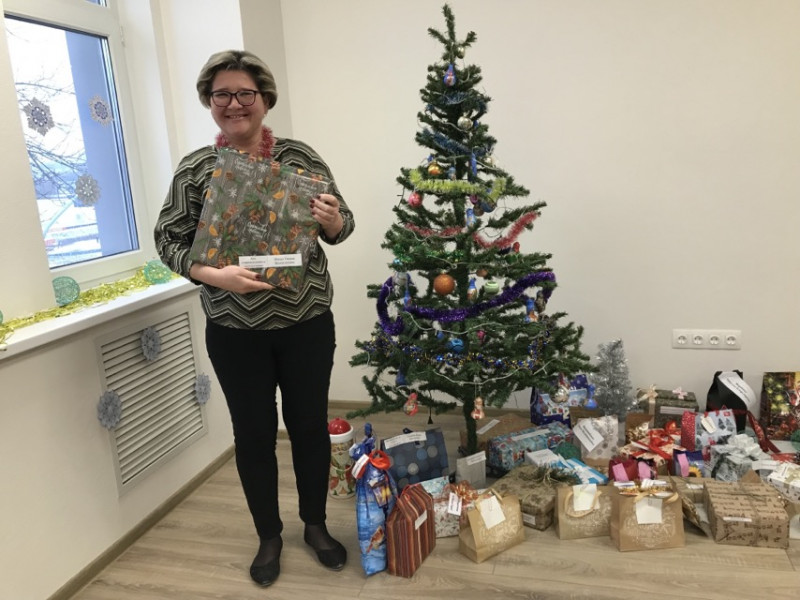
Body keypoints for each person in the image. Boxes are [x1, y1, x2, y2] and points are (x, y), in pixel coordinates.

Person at [154, 49, 355, 587]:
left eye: (245, 93)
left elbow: (343, 226)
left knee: (309, 426)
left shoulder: (300, 158)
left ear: (265, 99)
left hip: (306, 322)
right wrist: (213, 276)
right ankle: (269, 534)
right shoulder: (196, 169)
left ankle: (315, 525)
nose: (234, 103)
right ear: (209, 102)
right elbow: (168, 241)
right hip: (234, 330)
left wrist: (333, 220)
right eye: (222, 94)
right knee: (253, 433)